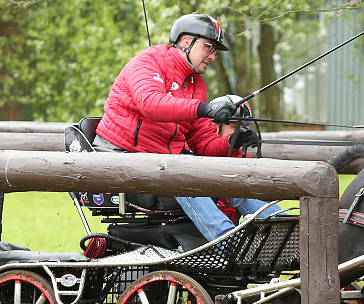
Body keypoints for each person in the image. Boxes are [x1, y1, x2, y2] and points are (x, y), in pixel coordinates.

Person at [93, 12, 283, 241]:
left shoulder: (196, 83)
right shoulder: (148, 62)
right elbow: (151, 104)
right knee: (184, 176)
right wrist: (205, 109)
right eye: (209, 48)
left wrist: (233, 141)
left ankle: (282, 229)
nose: (213, 57)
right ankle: (227, 242)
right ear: (186, 41)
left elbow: (203, 144)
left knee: (224, 176)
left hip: (164, 160)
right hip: (122, 156)